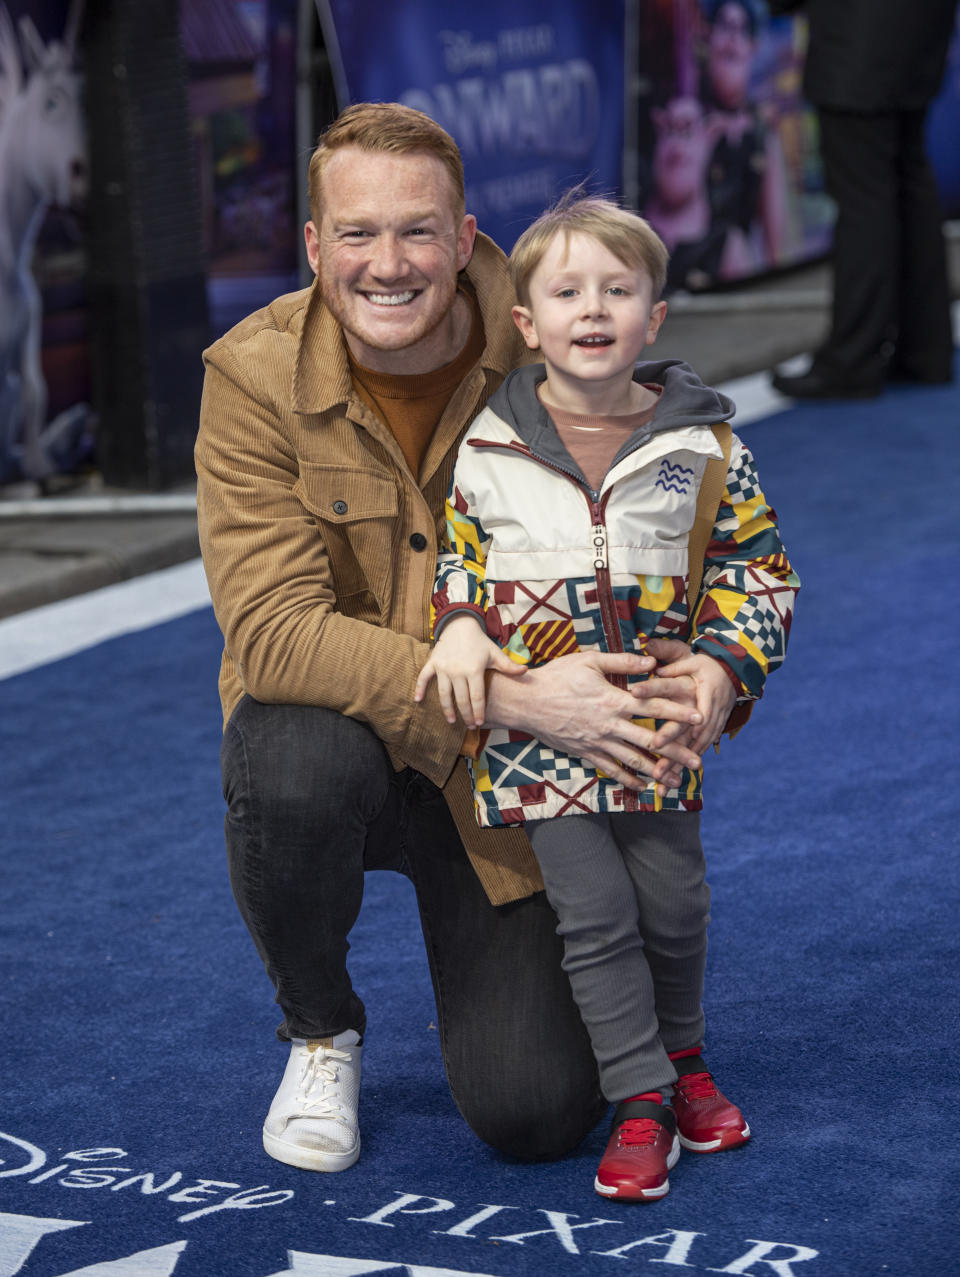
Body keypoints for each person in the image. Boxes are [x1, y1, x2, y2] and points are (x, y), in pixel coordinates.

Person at [194, 103, 712, 1176]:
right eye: (357, 233)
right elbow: (280, 635)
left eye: (418, 231)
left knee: (535, 1114)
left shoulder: (563, 338)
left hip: (510, 783)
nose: (389, 263)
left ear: (465, 233)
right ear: (312, 246)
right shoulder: (250, 376)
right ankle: (320, 1028)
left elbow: (689, 564)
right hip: (358, 740)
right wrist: (527, 695)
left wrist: (708, 676)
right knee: (284, 748)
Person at [414, 193, 799, 1201]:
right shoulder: (488, 453)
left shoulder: (707, 448)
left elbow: (758, 574)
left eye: (618, 290)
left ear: (654, 319)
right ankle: (638, 1098)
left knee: (674, 905)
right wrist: (459, 628)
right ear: (528, 324)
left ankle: (684, 1058)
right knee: (593, 916)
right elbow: (455, 568)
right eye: (568, 291)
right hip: (536, 737)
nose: (594, 308)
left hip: (655, 725)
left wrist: (721, 668)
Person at [770, 0, 958, 398]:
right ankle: (926, 350)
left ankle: (852, 361)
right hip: (919, 29)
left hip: (859, 35)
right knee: (909, 180)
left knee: (864, 196)